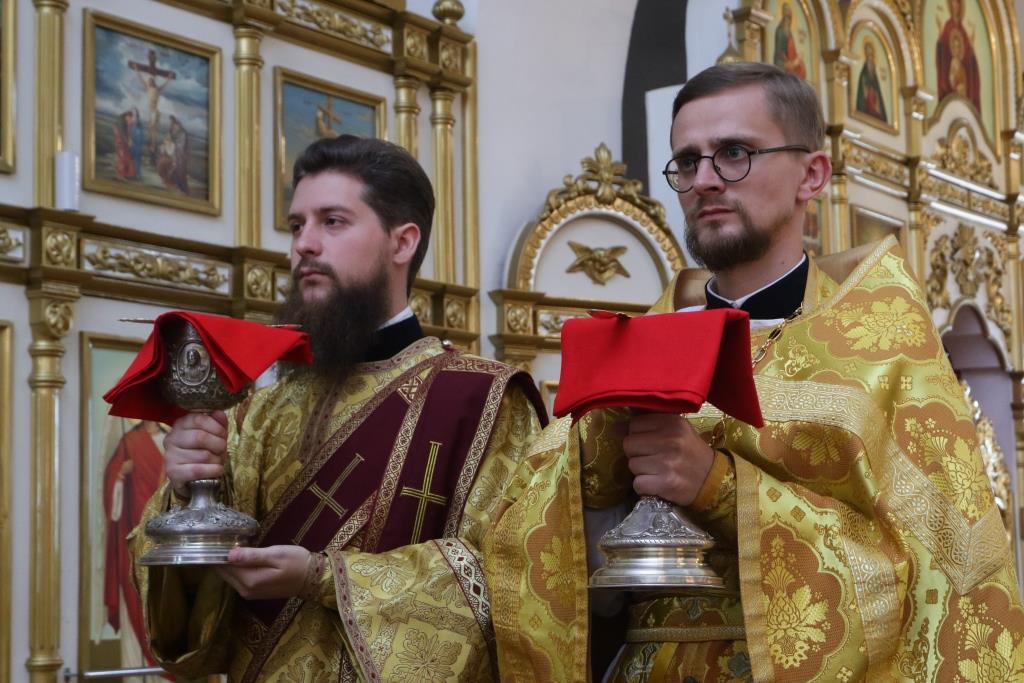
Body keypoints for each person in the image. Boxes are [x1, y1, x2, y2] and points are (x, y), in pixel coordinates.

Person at [580, 62, 1024, 681]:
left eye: (734, 153)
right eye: (687, 161)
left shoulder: (884, 348)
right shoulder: (643, 340)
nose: (705, 180)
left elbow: (944, 570)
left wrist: (717, 487)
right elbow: (547, 552)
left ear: (811, 175)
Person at [129, 135, 588, 681]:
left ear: (403, 242)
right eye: (296, 225)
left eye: (333, 222)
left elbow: (516, 591)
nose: (304, 245)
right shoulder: (262, 409)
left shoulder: (483, 399)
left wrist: (323, 577)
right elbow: (194, 628)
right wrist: (188, 493)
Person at [102, 419, 169, 678]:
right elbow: (111, 488)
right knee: (135, 598)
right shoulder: (130, 441)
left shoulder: (170, 439)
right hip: (135, 538)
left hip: (166, 539)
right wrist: (120, 474)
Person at [936, 0, 981, 113]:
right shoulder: (947, 26)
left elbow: (970, 62)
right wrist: (940, 40)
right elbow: (942, 55)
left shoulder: (963, 31)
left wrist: (971, 53)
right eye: (953, 3)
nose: (955, 6)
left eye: (957, 3)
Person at [855, 39, 887, 122]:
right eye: (869, 56)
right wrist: (868, 92)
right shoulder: (863, 74)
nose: (871, 59)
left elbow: (878, 93)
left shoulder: (874, 76)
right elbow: (863, 93)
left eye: (872, 56)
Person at [772, 2, 806, 80]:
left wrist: (798, 59)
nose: (789, 21)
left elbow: (792, 54)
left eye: (790, 18)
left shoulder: (789, 33)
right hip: (785, 76)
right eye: (787, 17)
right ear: (783, 17)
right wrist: (794, 63)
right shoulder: (780, 32)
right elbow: (777, 62)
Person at [113, 110, 137, 180]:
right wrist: (128, 141)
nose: (130, 120)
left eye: (131, 119)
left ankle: (126, 174)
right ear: (127, 116)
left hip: (122, 142)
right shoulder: (121, 122)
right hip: (121, 142)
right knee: (122, 158)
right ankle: (121, 175)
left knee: (126, 158)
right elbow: (123, 133)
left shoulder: (123, 120)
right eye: (130, 118)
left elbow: (126, 132)